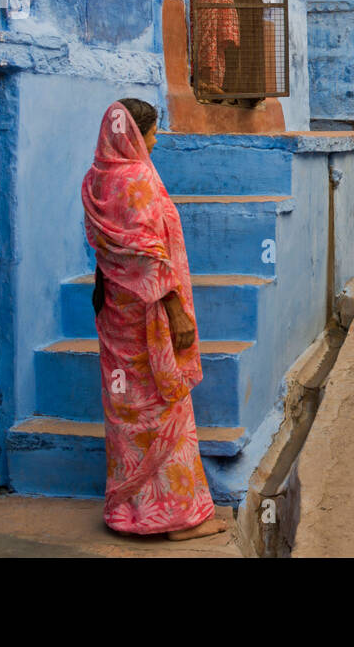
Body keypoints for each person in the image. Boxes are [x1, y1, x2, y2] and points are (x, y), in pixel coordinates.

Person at [81, 98, 226, 540]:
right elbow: (148, 255)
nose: (156, 139)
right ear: (133, 135)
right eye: (151, 132)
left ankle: (130, 513)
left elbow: (107, 249)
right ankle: (179, 518)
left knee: (126, 412)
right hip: (151, 314)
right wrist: (177, 311)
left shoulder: (94, 180)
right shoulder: (139, 179)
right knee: (167, 406)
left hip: (113, 309)